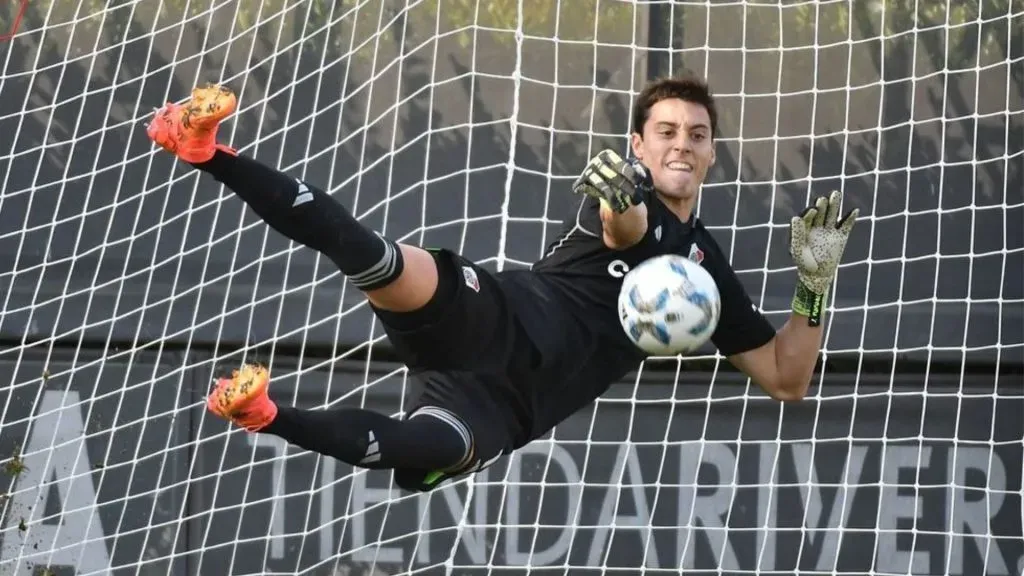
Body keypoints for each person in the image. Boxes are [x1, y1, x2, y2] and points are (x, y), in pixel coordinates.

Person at [146, 75, 858, 492]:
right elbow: (626, 227)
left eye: (697, 134)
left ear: (711, 152)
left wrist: (814, 283)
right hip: (497, 317)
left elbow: (787, 377)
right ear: (639, 145)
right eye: (666, 131)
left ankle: (266, 415)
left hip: (508, 402)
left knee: (430, 451)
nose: (682, 144)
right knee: (373, 256)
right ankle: (205, 149)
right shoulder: (622, 193)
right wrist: (618, 199)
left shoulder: (706, 273)